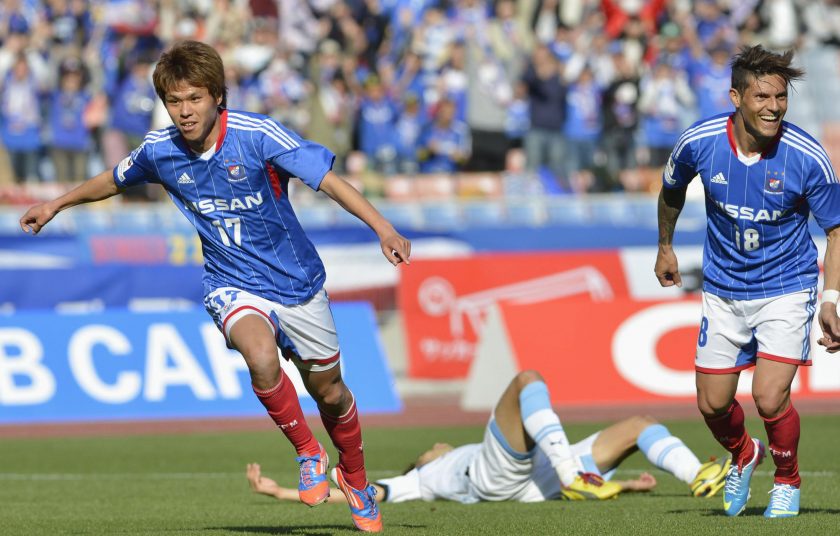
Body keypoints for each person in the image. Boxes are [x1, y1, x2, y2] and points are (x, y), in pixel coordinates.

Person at [19, 40, 412, 534]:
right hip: (232, 282)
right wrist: (56, 204)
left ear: (218, 97)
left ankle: (354, 476)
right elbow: (114, 179)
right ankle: (308, 453)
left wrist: (384, 228)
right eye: (174, 102)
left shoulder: (257, 135)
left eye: (194, 99)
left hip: (297, 283)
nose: (184, 112)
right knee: (261, 357)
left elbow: (330, 181)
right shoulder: (160, 150)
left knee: (330, 392)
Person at [654, 44, 840, 519]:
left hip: (787, 287)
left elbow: (836, 230)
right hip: (722, 289)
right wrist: (665, 246)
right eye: (762, 97)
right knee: (712, 404)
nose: (774, 107)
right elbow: (672, 189)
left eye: (780, 98)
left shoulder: (805, 156)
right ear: (735, 97)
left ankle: (787, 479)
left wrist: (831, 297)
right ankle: (742, 453)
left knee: (768, 395)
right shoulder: (699, 142)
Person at [247, 370, 730, 506]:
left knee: (639, 425)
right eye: (430, 449)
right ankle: (573, 471)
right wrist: (283, 492)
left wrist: (625, 485)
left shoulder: (444, 460)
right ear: (423, 461)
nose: (437, 444)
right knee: (525, 382)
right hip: (502, 477)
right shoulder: (421, 480)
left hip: (537, 480)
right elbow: (356, 493)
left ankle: (697, 474)